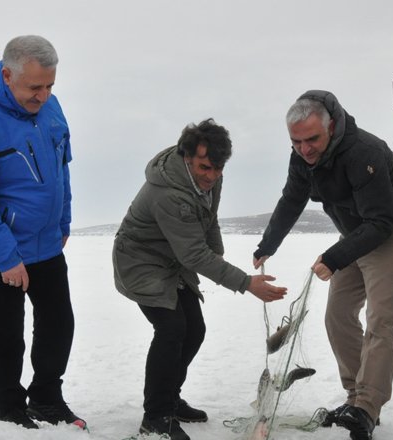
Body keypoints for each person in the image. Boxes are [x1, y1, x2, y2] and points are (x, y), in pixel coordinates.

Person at [253, 90, 393, 440]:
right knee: (338, 315)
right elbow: (292, 199)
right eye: (296, 142)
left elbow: (381, 222)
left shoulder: (364, 152)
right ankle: (355, 396)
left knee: (380, 322)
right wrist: (268, 243)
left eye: (312, 139)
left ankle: (367, 408)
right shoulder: (301, 158)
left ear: (332, 127)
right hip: (354, 237)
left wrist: (333, 258)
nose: (305, 149)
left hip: (391, 238)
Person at [113, 119, 287, 440]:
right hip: (140, 261)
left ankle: (170, 399)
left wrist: (216, 255)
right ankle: (156, 417)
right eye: (205, 167)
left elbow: (209, 219)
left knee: (195, 329)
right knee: (171, 328)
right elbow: (193, 255)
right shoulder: (168, 193)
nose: (212, 175)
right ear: (187, 157)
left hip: (173, 260)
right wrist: (246, 283)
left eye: (218, 168)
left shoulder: (210, 180)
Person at [0, 35, 85, 430]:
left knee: (60, 324)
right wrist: (6, 257)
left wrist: (63, 221)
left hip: (45, 245)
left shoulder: (50, 108)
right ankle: (9, 409)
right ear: (7, 75)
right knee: (5, 336)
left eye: (50, 86)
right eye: (34, 87)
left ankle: (46, 397)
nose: (42, 96)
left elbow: (62, 168)